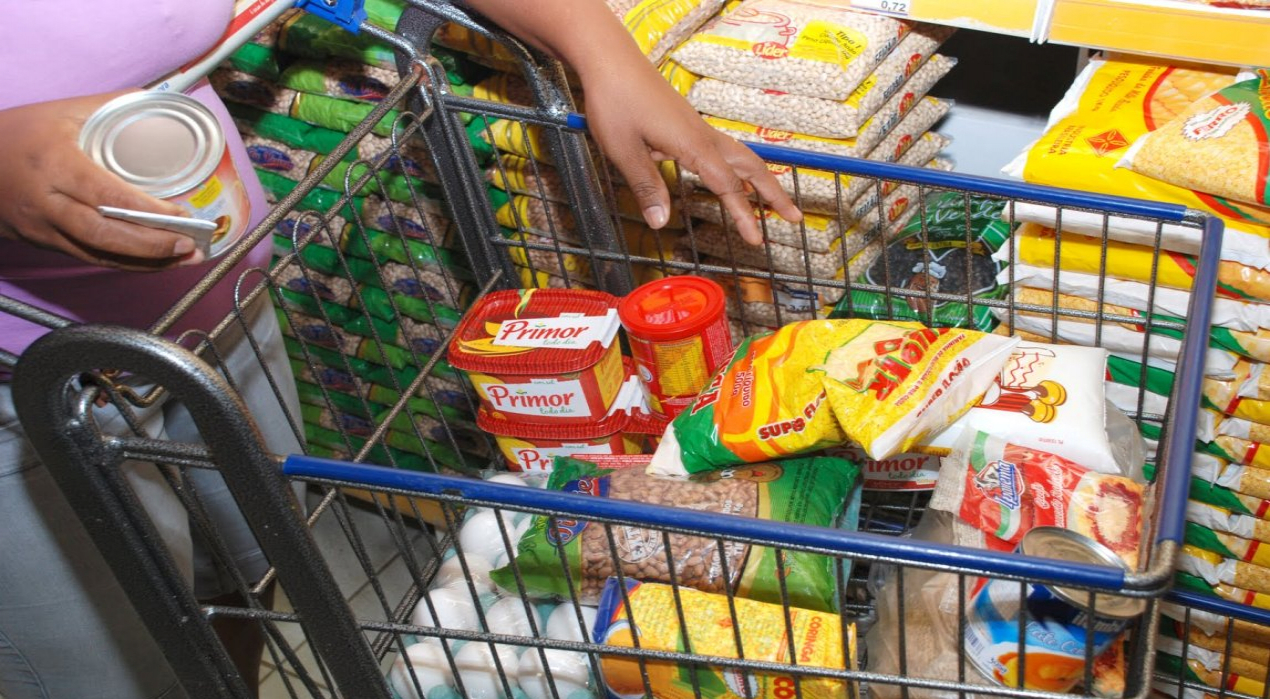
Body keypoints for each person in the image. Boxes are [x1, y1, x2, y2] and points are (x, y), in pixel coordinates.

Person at [0, 2, 800, 698]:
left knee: (244, 579)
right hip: (29, 388)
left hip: (218, 321)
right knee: (120, 670)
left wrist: (601, 51)